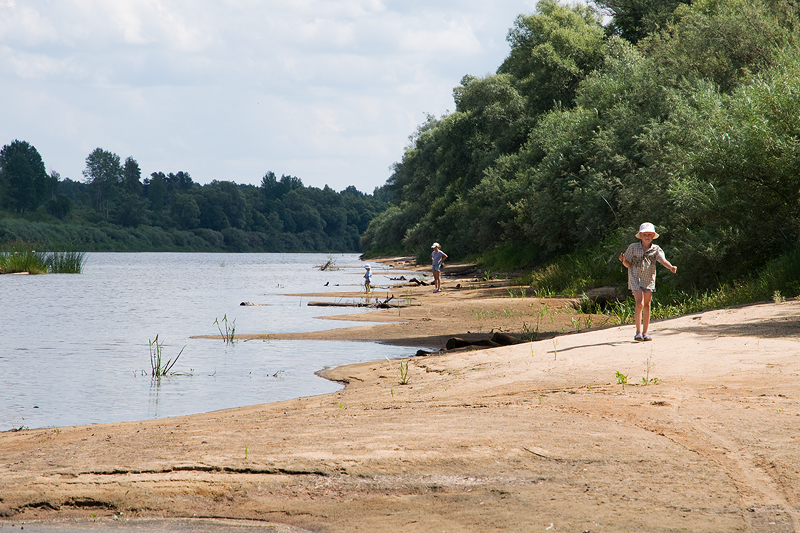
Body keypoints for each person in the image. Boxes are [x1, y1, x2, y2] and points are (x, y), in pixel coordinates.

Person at [618, 222, 677, 342]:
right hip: (635, 278)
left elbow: (662, 260)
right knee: (639, 303)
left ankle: (645, 333)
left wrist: (670, 267)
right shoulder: (633, 247)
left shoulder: (656, 249)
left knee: (647, 305)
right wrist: (623, 260)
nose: (647, 236)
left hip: (648, 279)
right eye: (645, 234)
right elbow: (627, 264)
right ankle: (638, 332)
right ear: (640, 235)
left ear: (653, 236)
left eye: (650, 234)